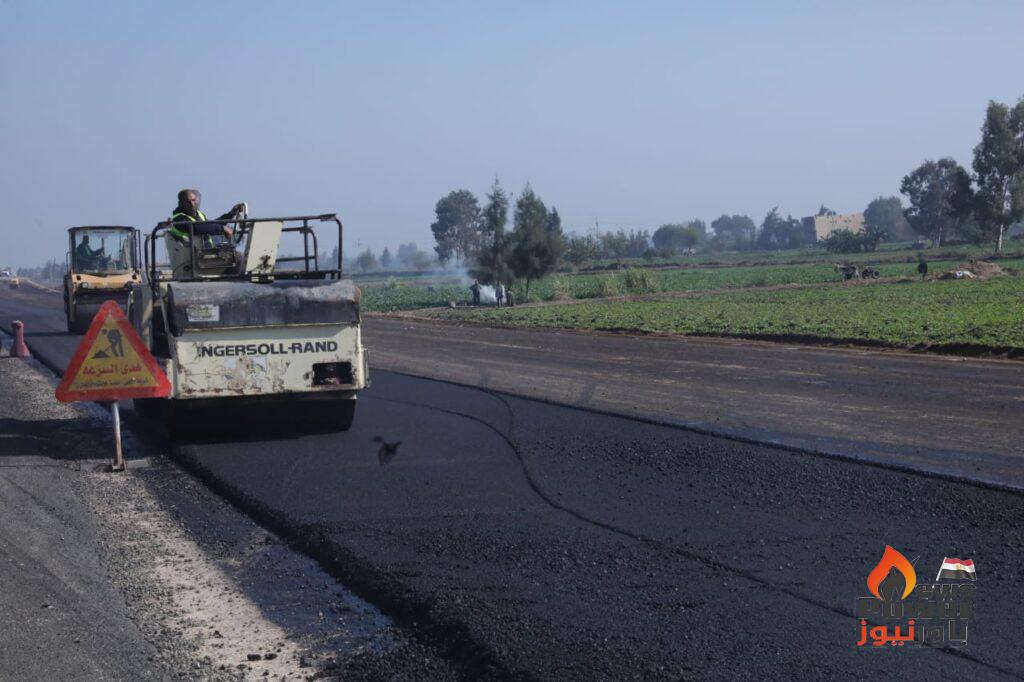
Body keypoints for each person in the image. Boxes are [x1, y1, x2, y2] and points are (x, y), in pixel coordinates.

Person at [169, 189, 245, 247]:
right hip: (191, 257)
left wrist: (231, 214)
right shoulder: (178, 219)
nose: (192, 204)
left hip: (206, 252)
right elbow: (196, 228)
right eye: (188, 202)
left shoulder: (199, 214)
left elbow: (210, 225)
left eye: (193, 200)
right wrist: (222, 228)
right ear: (180, 203)